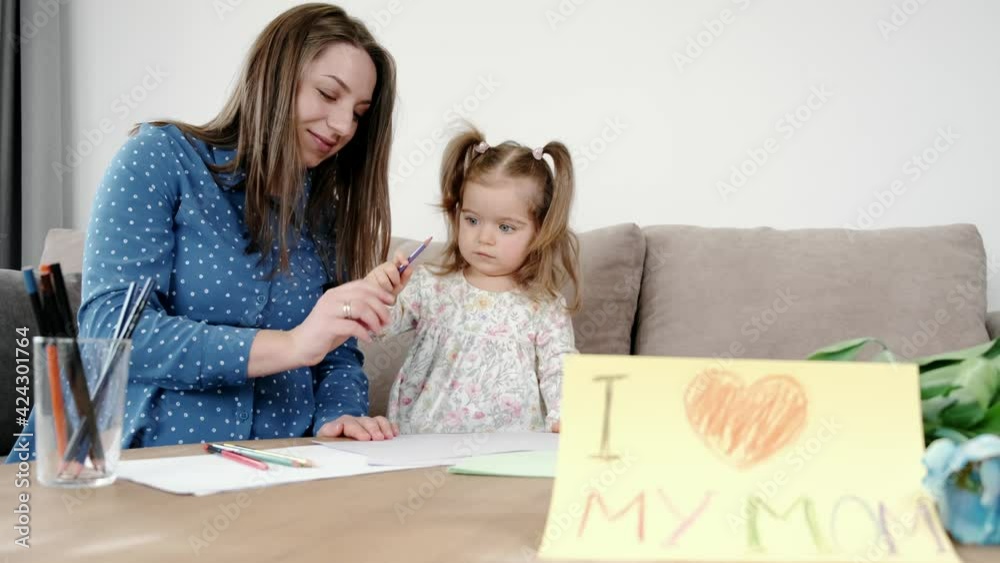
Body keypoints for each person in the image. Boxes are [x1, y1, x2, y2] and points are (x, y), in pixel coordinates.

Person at [7, 3, 401, 464]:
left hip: (279, 467)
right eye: (327, 95)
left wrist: (341, 414)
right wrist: (291, 346)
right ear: (273, 78)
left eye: (358, 113)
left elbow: (337, 354)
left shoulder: (325, 217)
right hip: (134, 459)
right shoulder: (160, 158)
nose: (342, 127)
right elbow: (111, 334)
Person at [365, 126, 581, 434]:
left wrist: (564, 417)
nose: (484, 238)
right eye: (472, 220)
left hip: (509, 452)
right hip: (421, 444)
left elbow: (560, 367)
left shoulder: (544, 306)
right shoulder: (431, 285)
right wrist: (378, 292)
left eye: (506, 227)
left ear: (541, 230)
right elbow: (376, 328)